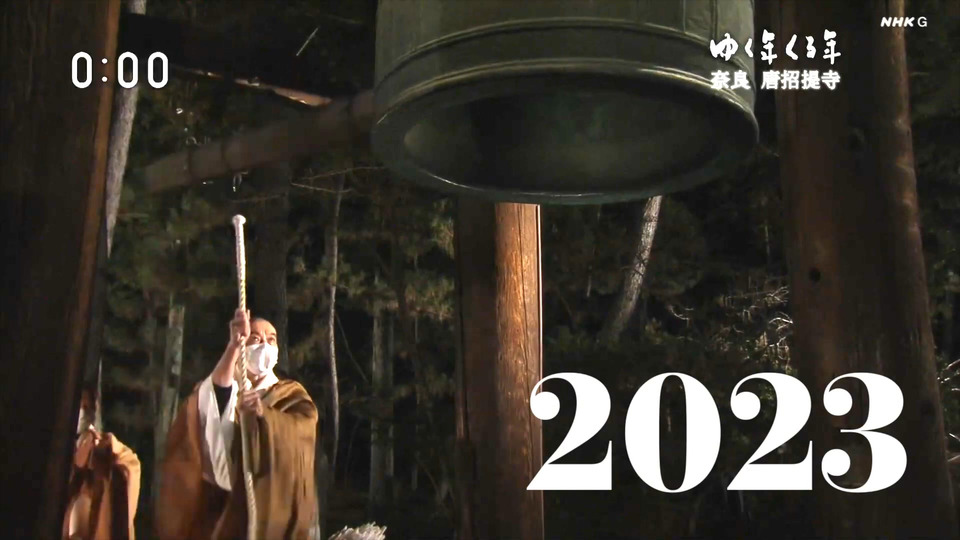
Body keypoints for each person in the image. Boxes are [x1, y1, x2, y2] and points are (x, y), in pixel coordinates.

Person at [156, 309, 319, 539]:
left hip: (273, 505)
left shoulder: (290, 393)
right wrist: (233, 346)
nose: (264, 345)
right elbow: (211, 403)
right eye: (256, 339)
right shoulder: (228, 386)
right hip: (226, 505)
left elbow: (304, 428)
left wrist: (264, 416)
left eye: (271, 339)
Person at [62, 384, 141, 540]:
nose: (82, 412)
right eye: (79, 406)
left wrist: (106, 445)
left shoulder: (106, 450)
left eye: (86, 407)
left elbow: (131, 466)